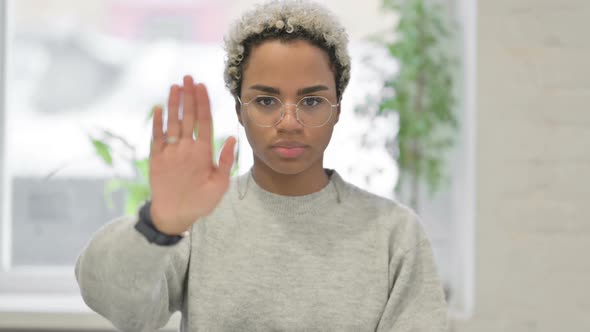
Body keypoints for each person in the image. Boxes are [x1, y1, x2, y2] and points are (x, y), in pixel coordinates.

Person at [75, 0, 450, 331]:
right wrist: (156, 225)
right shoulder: (200, 221)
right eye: (267, 101)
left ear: (338, 108)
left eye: (312, 101)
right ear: (240, 109)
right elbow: (120, 306)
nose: (289, 122)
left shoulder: (394, 233)